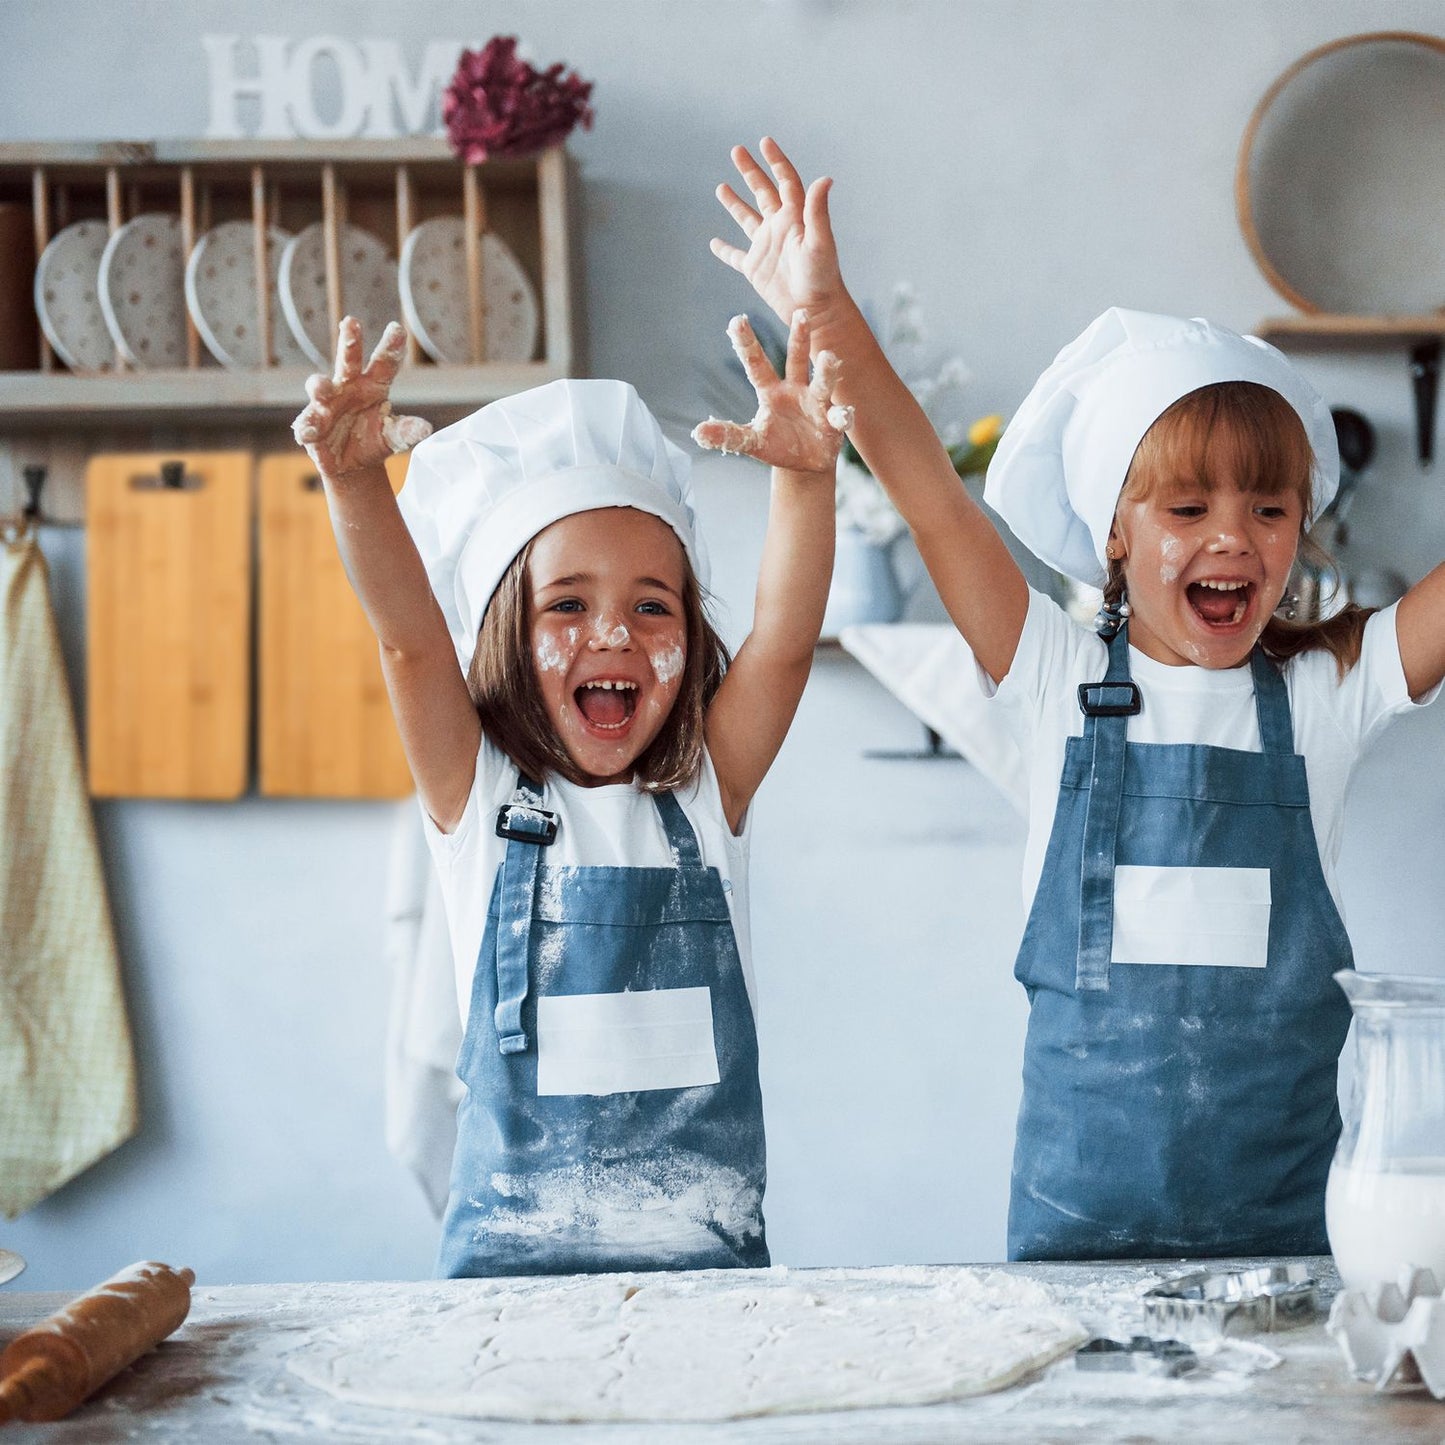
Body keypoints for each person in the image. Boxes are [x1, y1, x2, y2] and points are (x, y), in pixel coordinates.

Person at [709, 137, 1445, 1260]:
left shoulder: (1324, 692)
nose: (1231, 540)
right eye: (1185, 507)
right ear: (1112, 529)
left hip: (1285, 1244)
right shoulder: (1051, 675)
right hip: (1074, 1238)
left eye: (1265, 509)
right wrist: (833, 315)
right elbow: (929, 497)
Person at [292, 312, 851, 1276]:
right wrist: (352, 484)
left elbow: (786, 641)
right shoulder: (480, 795)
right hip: (510, 1290)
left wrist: (805, 479)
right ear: (508, 631)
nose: (614, 635)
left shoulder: (709, 791)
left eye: (650, 604)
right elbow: (410, 639)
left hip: (709, 1291)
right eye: (567, 604)